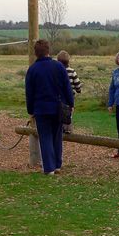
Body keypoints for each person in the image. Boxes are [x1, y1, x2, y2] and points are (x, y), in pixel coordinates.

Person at [25, 39, 74, 175]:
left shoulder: (32, 70)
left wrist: (30, 110)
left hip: (41, 109)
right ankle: (57, 164)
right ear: (48, 51)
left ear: (36, 53)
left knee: (45, 137)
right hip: (58, 107)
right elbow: (67, 88)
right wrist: (71, 104)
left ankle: (49, 168)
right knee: (57, 136)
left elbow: (29, 93)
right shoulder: (58, 67)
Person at [57, 50, 82, 134]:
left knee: (60, 111)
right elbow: (77, 83)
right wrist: (78, 90)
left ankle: (61, 128)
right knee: (69, 112)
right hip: (70, 95)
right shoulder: (71, 71)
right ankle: (68, 128)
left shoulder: (56, 71)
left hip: (59, 95)